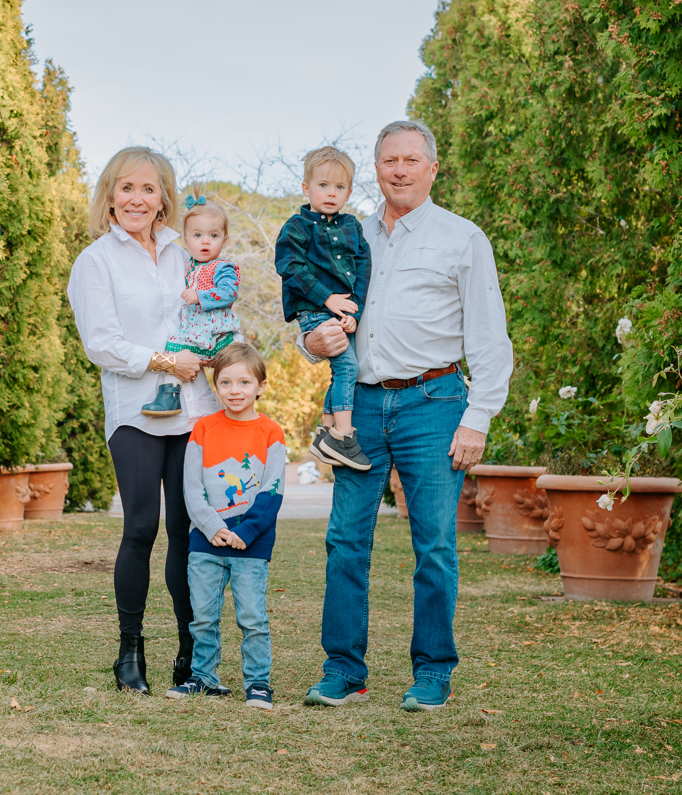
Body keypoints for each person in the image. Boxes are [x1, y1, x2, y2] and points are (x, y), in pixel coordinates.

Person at [300, 120, 512, 712]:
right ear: (375, 168)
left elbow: (490, 337)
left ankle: (433, 671)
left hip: (434, 403)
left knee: (435, 544)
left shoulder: (461, 238)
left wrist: (478, 419)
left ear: (432, 168)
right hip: (359, 405)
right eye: (389, 159)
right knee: (345, 539)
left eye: (411, 160)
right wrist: (309, 343)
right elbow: (318, 311)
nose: (399, 169)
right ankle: (343, 669)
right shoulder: (346, 234)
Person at [67, 146, 214, 694]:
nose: (136, 198)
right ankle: (130, 651)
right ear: (109, 197)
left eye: (148, 189)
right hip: (134, 412)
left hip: (194, 409)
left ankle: (191, 650)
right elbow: (101, 344)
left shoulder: (185, 255)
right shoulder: (96, 261)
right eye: (126, 188)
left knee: (186, 529)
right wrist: (163, 361)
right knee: (140, 528)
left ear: (163, 199)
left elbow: (210, 315)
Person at [169, 341, 285, 710]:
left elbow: (272, 490)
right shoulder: (203, 428)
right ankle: (203, 677)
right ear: (215, 386)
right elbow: (191, 487)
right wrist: (210, 526)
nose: (235, 391)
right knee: (203, 615)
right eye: (226, 383)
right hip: (206, 540)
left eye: (244, 383)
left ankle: (258, 683)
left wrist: (246, 532)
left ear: (260, 387)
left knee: (251, 617)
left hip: (252, 542)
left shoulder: (271, 432)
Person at [274, 146, 372, 470]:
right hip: (314, 308)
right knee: (347, 368)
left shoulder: (352, 227)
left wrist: (353, 314)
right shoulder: (297, 227)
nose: (331, 193)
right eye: (323, 185)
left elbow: (363, 267)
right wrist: (327, 299)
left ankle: (327, 431)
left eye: (339, 187)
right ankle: (343, 436)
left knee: (343, 368)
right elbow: (290, 267)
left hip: (342, 310)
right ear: (307, 188)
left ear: (349, 192)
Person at [142, 197, 242, 418]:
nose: (205, 242)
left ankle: (237, 407)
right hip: (193, 332)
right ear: (186, 239)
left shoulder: (222, 267)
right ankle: (168, 396)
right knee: (173, 351)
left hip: (219, 332)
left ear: (224, 240)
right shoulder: (188, 265)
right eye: (198, 235)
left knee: (236, 365)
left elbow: (229, 292)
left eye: (213, 236)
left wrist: (199, 295)